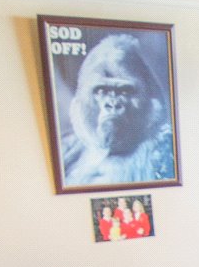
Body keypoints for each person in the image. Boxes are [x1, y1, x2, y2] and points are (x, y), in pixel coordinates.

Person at [60, 34, 176, 187]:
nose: (112, 104)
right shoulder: (67, 150)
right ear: (80, 99)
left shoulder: (165, 151)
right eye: (102, 91)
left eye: (124, 91)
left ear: (149, 99)